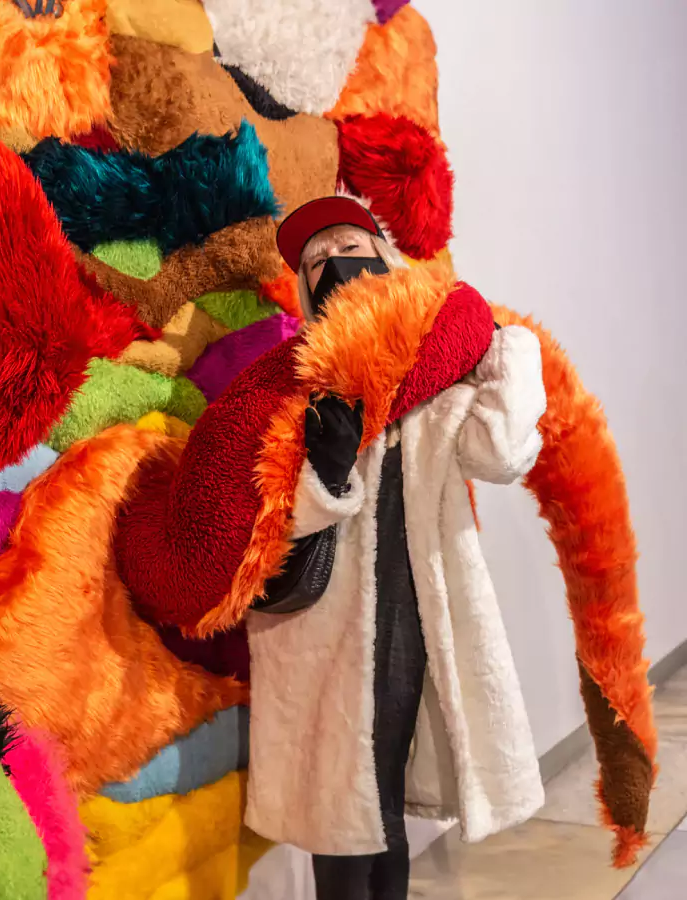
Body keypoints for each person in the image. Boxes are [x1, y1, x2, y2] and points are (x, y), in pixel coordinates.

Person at [115, 195, 549, 900]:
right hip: (318, 638)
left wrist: (508, 345)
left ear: (384, 259)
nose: (335, 265)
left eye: (349, 247)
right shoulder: (288, 387)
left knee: (381, 812)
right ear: (304, 288)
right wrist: (328, 474)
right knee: (342, 830)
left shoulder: (432, 379)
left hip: (409, 628)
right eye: (316, 261)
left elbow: (501, 453)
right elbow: (259, 529)